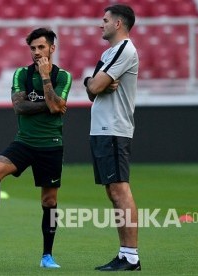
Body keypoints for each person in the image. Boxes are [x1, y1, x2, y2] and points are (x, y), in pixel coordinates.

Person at [0, 27, 72, 268]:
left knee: (49, 202)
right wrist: (50, 104)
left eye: (41, 47)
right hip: (24, 141)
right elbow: (20, 107)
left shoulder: (63, 76)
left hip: (51, 145)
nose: (36, 52)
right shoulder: (21, 74)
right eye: (32, 48)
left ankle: (47, 256)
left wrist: (45, 79)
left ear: (52, 48)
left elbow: (55, 106)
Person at [82, 4, 141, 271]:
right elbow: (92, 90)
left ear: (118, 23)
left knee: (119, 189)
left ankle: (131, 257)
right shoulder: (109, 52)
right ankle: (124, 254)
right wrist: (92, 82)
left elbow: (95, 85)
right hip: (102, 128)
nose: (100, 24)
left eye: (104, 20)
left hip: (114, 128)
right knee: (112, 191)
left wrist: (95, 83)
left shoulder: (125, 49)